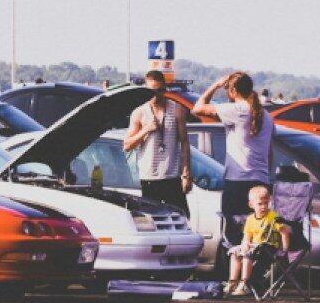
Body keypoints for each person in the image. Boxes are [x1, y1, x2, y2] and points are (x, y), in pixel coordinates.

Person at [192, 71, 276, 245]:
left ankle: (236, 263)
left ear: (233, 91)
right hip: (261, 181)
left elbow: (197, 108)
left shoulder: (237, 110)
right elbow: (269, 152)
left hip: (238, 182)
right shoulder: (267, 116)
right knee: (258, 238)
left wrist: (216, 84)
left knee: (234, 239)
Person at [124, 70, 192, 217]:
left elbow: (185, 143)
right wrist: (146, 129)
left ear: (165, 89)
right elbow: (127, 145)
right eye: (151, 91)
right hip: (150, 179)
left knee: (182, 217)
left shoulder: (177, 109)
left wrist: (186, 174)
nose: (156, 95)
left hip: (171, 178)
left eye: (160, 90)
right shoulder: (140, 112)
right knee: (152, 221)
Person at [226, 185, 290, 296]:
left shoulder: (273, 216)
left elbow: (284, 232)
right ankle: (233, 282)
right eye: (260, 204)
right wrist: (245, 244)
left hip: (268, 247)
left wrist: (284, 249)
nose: (264, 207)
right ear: (251, 205)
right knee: (234, 253)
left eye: (266, 203)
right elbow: (247, 235)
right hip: (255, 246)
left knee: (247, 254)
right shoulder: (250, 219)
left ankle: (244, 283)